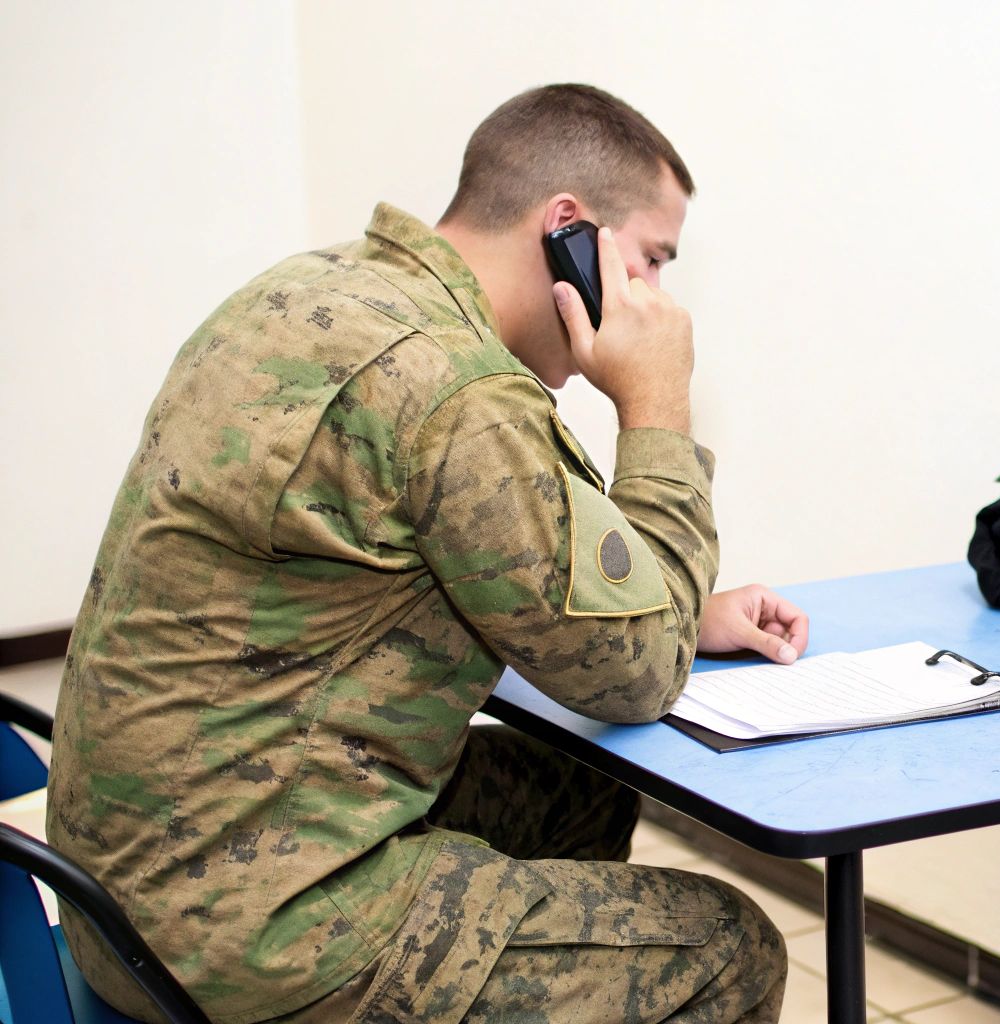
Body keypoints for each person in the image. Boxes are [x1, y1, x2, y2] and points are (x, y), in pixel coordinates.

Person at [45, 83, 803, 1024]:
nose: (657, 297)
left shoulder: (315, 291)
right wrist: (656, 407)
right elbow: (635, 675)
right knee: (727, 951)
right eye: (649, 260)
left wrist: (688, 606)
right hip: (248, 939)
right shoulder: (456, 389)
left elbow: (502, 565)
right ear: (569, 230)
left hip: (122, 889)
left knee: (577, 794)